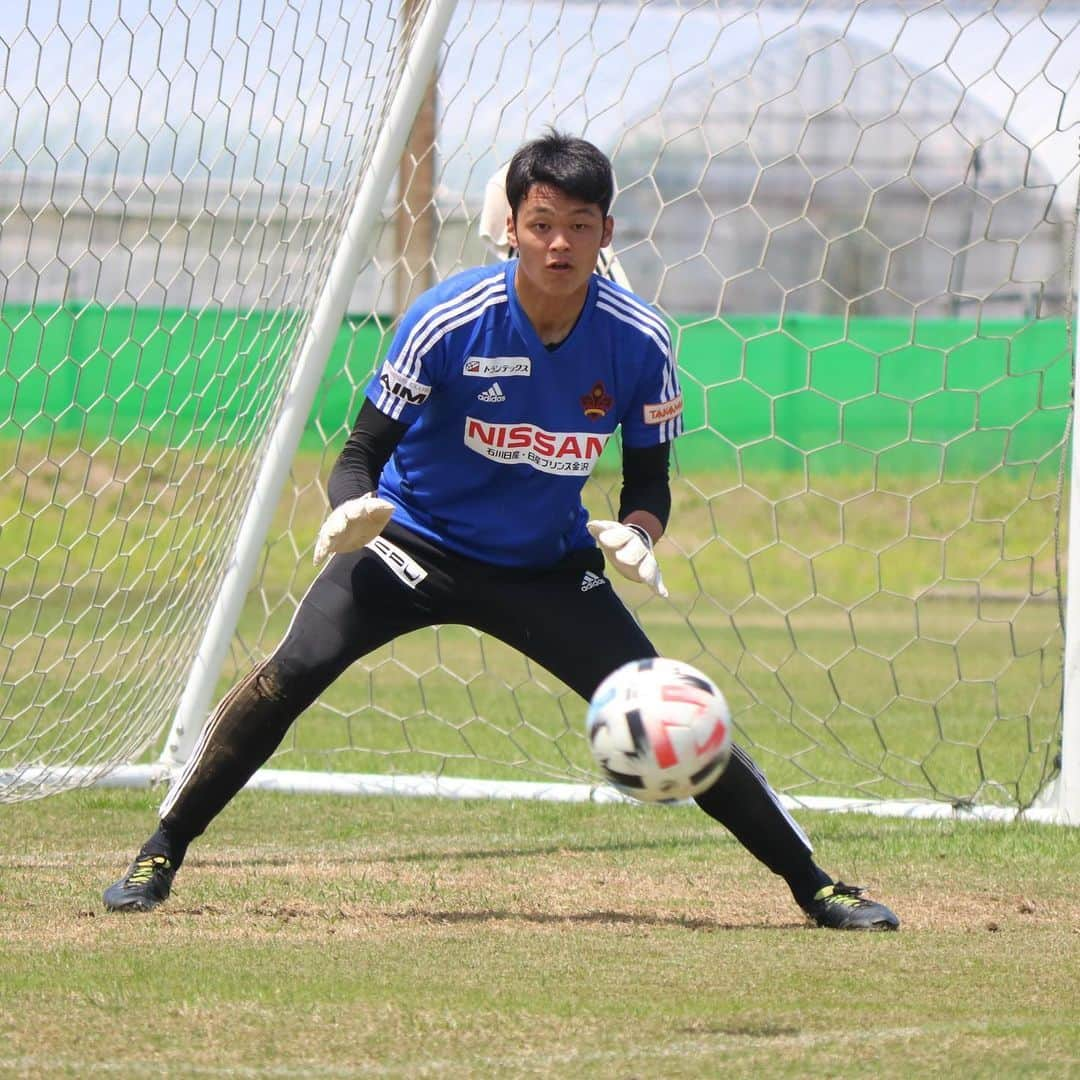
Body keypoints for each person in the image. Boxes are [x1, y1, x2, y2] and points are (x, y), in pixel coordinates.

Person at [103, 131, 899, 931]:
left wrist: (637, 533)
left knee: (671, 714)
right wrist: (350, 508)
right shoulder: (447, 319)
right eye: (543, 223)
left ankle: (817, 886)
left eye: (580, 225)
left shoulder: (641, 340)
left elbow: (649, 481)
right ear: (512, 227)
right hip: (408, 544)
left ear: (607, 234)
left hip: (545, 568)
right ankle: (159, 852)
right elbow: (360, 452)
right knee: (288, 674)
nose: (561, 243)